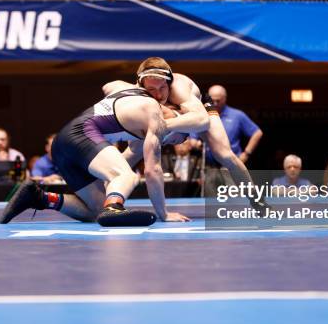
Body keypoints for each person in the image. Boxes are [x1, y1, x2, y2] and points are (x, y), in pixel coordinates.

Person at [0, 88, 190, 226]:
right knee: (128, 176)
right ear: (174, 116)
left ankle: (39, 197)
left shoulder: (134, 101)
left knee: (95, 211)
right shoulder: (155, 115)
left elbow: (123, 160)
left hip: (63, 145)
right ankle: (114, 207)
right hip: (82, 134)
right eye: (177, 138)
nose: (170, 143)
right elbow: (152, 170)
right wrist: (163, 214)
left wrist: (114, 181)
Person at [102, 57, 270, 211]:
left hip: (200, 110)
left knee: (224, 154)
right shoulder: (134, 92)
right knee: (134, 150)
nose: (158, 94)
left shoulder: (179, 88)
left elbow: (202, 120)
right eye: (151, 89)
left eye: (162, 87)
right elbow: (108, 87)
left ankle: (256, 199)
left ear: (169, 82)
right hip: (166, 115)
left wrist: (163, 126)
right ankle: (105, 194)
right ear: (141, 85)